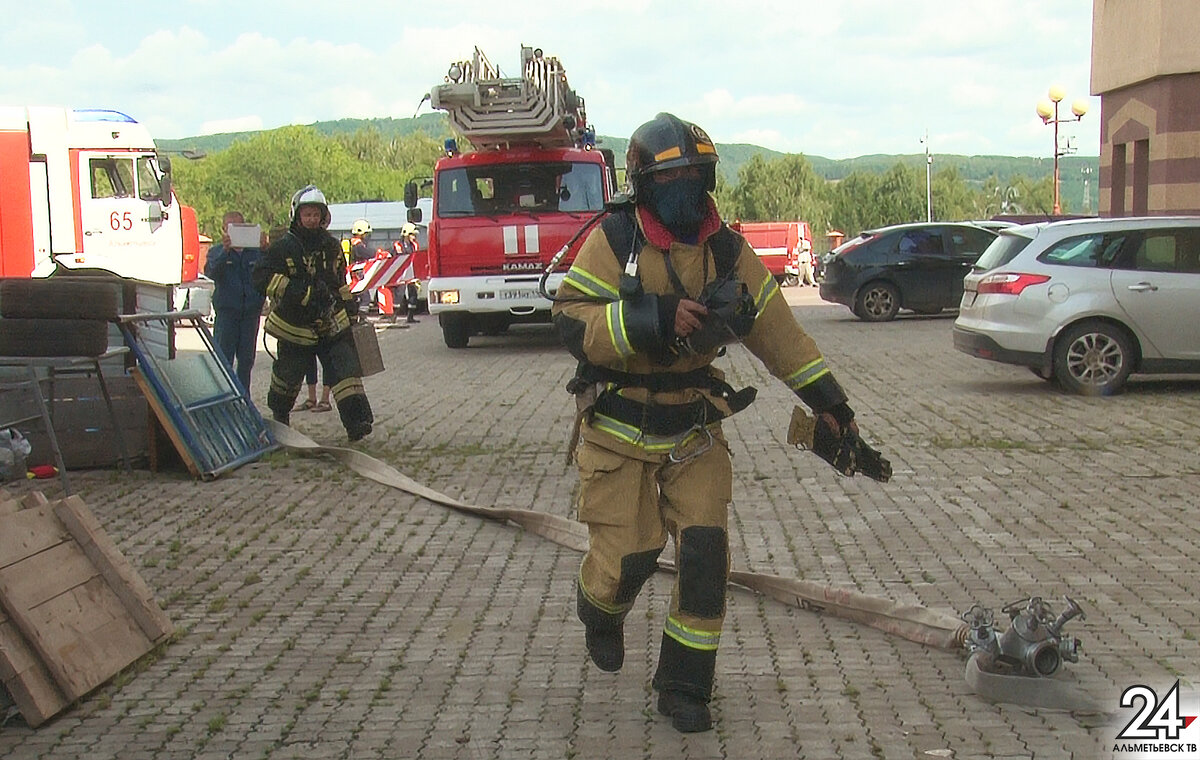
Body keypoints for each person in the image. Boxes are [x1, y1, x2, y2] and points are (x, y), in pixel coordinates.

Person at [551, 113, 887, 734]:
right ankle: (599, 609)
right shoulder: (617, 240)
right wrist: (649, 318)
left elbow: (782, 335)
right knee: (629, 556)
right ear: (645, 183)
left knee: (706, 556)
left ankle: (685, 687)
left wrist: (832, 406)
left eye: (695, 177)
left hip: (693, 431)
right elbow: (571, 322)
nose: (685, 191)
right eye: (672, 179)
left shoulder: (727, 252)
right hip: (618, 431)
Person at [253, 185, 374, 441]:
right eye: (307, 214)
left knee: (345, 371)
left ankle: (357, 423)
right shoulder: (282, 248)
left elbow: (339, 279)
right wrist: (302, 293)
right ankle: (281, 417)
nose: (312, 219)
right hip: (295, 326)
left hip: (331, 322)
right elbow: (261, 278)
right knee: (287, 376)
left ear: (323, 216)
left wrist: (349, 306)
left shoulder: (331, 246)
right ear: (297, 215)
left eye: (316, 214)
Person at [203, 211, 266, 391]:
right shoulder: (216, 252)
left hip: (250, 314)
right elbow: (211, 273)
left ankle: (244, 399)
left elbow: (268, 272)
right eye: (230, 228)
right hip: (227, 313)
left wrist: (266, 249)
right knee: (224, 360)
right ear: (223, 230)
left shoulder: (255, 252)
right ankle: (225, 397)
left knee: (246, 361)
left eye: (238, 227)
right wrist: (225, 252)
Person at [391, 223, 421, 324]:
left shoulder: (414, 245)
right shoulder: (398, 245)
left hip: (411, 272)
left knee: (413, 294)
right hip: (401, 273)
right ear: (406, 234)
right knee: (399, 294)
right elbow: (396, 259)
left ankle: (410, 317)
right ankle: (393, 317)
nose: (414, 237)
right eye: (412, 234)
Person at [349, 219, 376, 314]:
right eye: (366, 233)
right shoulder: (358, 245)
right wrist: (379, 253)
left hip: (352, 275)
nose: (368, 236)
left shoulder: (351, 243)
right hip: (357, 274)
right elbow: (369, 254)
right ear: (361, 233)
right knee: (365, 298)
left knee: (355, 298)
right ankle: (362, 319)